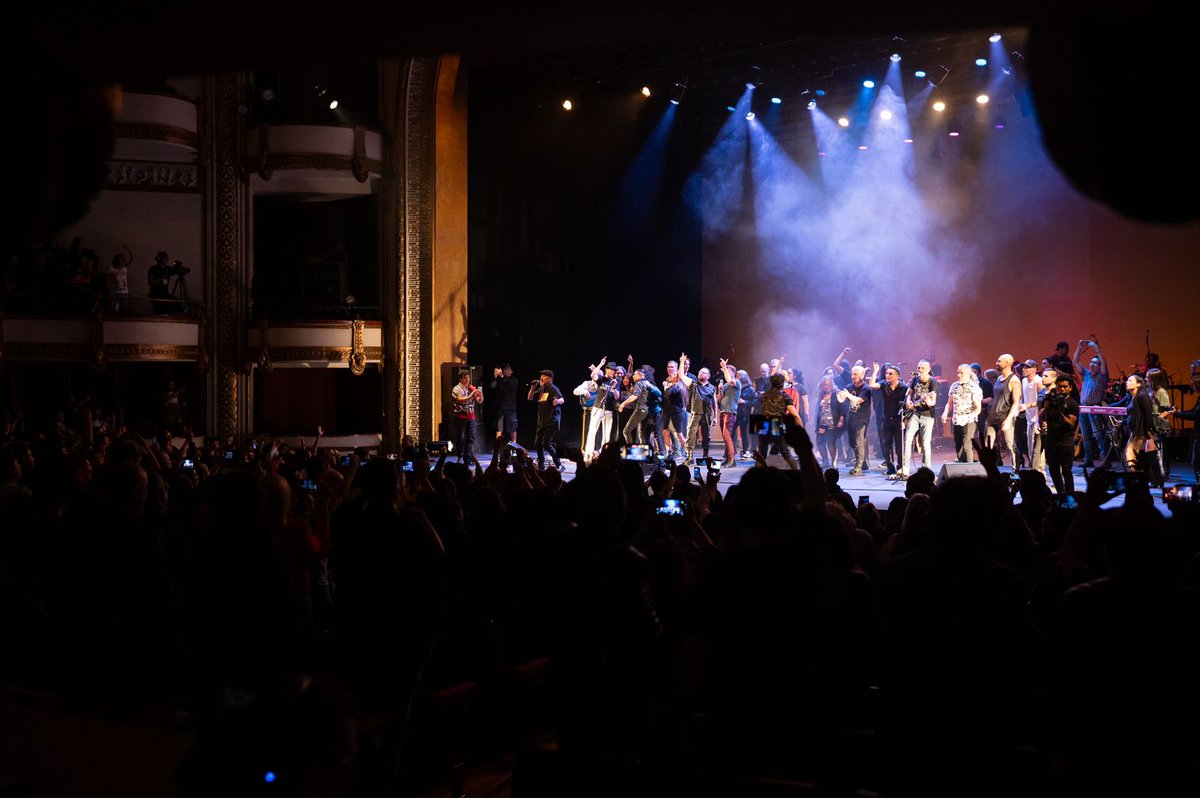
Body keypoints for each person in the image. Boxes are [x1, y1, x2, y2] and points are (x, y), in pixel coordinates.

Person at [897, 360, 938, 480]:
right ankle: (905, 467)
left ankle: (926, 469)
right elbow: (909, 394)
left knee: (925, 442)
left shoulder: (933, 381)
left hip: (927, 414)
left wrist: (929, 402)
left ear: (928, 369)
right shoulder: (915, 379)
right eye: (918, 367)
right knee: (908, 438)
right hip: (914, 413)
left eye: (922, 368)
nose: (920, 370)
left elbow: (933, 400)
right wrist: (909, 401)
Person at [1040, 373, 1079, 496]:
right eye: (1059, 386)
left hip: (1065, 441)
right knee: (1053, 471)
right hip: (1051, 440)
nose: (1062, 389)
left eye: (1065, 386)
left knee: (1066, 471)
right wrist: (1046, 408)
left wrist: (1058, 411)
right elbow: (1040, 417)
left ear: (1070, 388)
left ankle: (1070, 496)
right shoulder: (1051, 400)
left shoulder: (1072, 404)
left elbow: (1070, 423)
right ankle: (1061, 494)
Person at [1074, 339, 1110, 466]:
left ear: (1100, 366)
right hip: (1083, 409)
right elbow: (1075, 362)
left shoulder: (1102, 376)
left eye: (1096, 363)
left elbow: (1104, 363)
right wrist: (1079, 348)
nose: (1092, 365)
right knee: (1085, 436)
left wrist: (1096, 347)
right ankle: (1088, 459)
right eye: (1091, 362)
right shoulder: (1087, 374)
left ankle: (1105, 459)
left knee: (1099, 435)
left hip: (1094, 409)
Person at [837, 363, 877, 476]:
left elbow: (858, 400)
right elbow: (841, 399)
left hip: (862, 417)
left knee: (859, 440)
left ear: (862, 375)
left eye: (855, 374)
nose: (853, 376)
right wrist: (840, 395)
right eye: (852, 374)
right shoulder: (849, 386)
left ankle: (858, 466)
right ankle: (862, 461)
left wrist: (847, 395)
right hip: (851, 417)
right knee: (851, 441)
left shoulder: (866, 389)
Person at [756, 372, 801, 469]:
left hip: (762, 423)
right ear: (782, 383)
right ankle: (797, 476)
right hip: (774, 423)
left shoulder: (766, 395)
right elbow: (795, 415)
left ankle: (756, 479)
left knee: (761, 456)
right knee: (786, 454)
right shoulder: (784, 396)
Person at [985, 354, 1022, 470]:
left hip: (1005, 416)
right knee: (988, 444)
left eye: (999, 361)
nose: (996, 363)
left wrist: (1008, 420)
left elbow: (1016, 402)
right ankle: (989, 470)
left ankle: (1015, 470)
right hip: (993, 416)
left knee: (1010, 445)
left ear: (1007, 363)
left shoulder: (1014, 380)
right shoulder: (998, 379)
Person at [941, 364, 983, 463]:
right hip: (956, 420)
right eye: (958, 373)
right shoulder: (954, 386)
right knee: (958, 444)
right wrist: (945, 412)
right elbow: (949, 403)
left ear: (968, 374)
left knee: (967, 445)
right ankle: (962, 465)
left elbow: (978, 409)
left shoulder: (974, 388)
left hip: (969, 421)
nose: (959, 375)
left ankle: (969, 470)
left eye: (961, 373)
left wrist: (969, 416)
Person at [870, 363, 906, 475]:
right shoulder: (884, 384)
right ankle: (890, 468)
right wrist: (875, 371)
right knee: (887, 444)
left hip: (899, 420)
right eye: (886, 373)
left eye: (890, 374)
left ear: (897, 375)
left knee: (899, 445)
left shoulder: (904, 387)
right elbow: (872, 385)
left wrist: (906, 420)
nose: (887, 375)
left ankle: (900, 467)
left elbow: (908, 404)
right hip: (886, 419)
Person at [527, 370, 564, 471]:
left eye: (544, 376)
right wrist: (532, 389)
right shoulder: (542, 389)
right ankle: (541, 465)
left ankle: (559, 463)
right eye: (541, 376)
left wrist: (557, 401)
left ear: (550, 378)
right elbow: (530, 397)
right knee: (537, 443)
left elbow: (562, 399)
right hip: (542, 422)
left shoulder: (553, 389)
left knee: (546, 443)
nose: (541, 378)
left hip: (551, 421)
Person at [1123, 374, 1155, 474]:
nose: (1127, 382)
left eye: (1130, 381)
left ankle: (1136, 475)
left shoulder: (1142, 396)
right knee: (1132, 454)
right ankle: (1138, 475)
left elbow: (1148, 415)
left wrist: (1146, 431)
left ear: (1138, 384)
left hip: (1140, 431)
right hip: (1134, 430)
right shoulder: (1131, 397)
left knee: (1130, 453)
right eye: (1127, 381)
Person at [451, 369, 482, 463]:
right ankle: (460, 456)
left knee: (471, 437)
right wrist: (471, 396)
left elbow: (479, 401)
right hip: (461, 416)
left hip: (471, 416)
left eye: (468, 377)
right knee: (461, 437)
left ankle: (467, 458)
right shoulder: (456, 389)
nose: (468, 379)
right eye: (465, 378)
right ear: (460, 379)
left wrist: (481, 395)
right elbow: (461, 400)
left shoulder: (472, 388)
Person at [489, 363, 519, 444]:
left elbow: (510, 385)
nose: (506, 371)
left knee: (513, 428)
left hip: (511, 408)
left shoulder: (514, 380)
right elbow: (492, 386)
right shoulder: (500, 380)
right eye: (504, 369)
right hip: (500, 408)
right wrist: (495, 376)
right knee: (499, 428)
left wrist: (501, 376)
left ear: (511, 371)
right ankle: (497, 448)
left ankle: (514, 446)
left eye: (508, 369)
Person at [106, 244, 132, 314]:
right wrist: (110, 292)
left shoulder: (124, 268)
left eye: (122, 260)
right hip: (115, 292)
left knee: (125, 310)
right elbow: (108, 281)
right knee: (111, 310)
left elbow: (132, 259)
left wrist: (127, 248)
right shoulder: (111, 269)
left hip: (124, 292)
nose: (121, 261)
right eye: (120, 260)